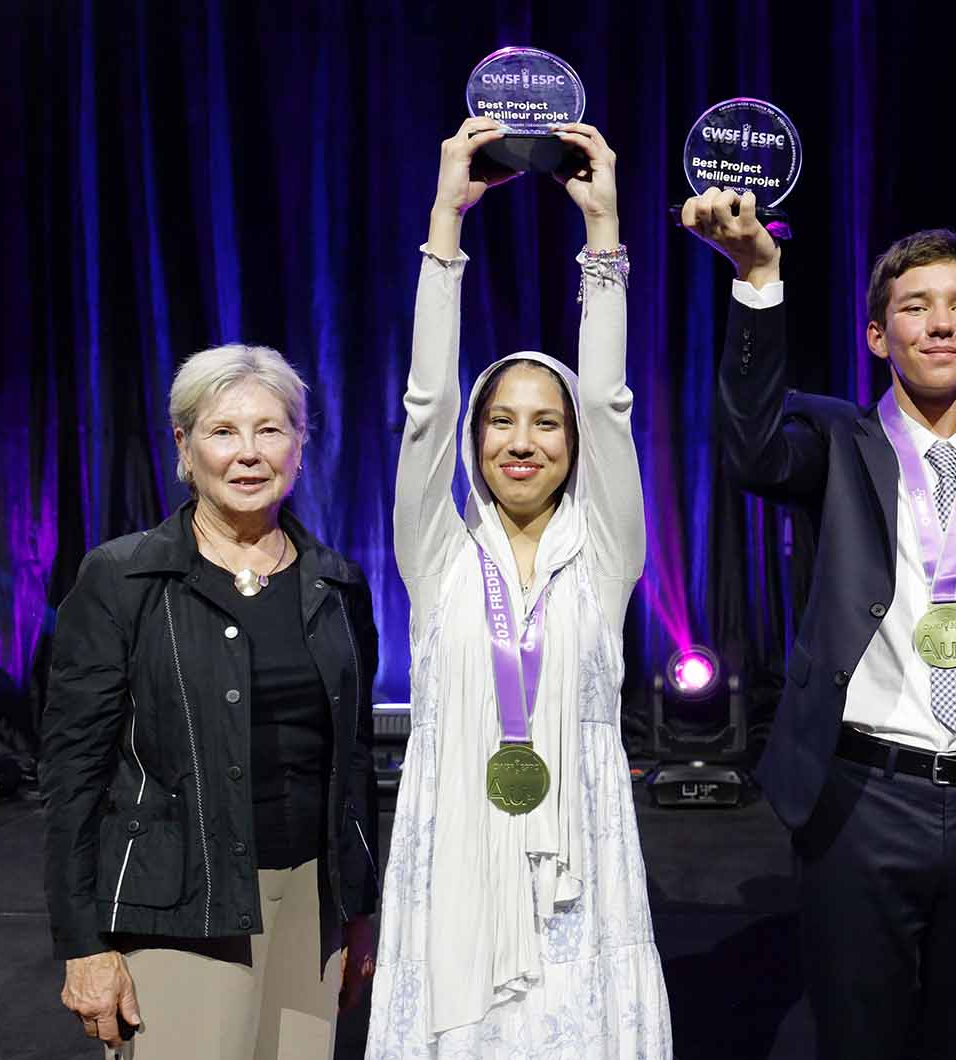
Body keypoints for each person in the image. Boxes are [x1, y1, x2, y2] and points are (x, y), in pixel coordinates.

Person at [682, 190, 956, 1059]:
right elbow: (748, 444)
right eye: (914, 306)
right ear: (876, 335)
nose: (940, 323)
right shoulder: (834, 440)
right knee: (857, 1036)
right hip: (863, 799)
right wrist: (758, 279)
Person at [365, 118, 670, 1058]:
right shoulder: (439, 552)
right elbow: (423, 412)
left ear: (572, 446)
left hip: (581, 854)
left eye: (546, 422)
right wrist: (444, 229)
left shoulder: (607, 551)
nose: (522, 440)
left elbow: (612, 406)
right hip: (455, 839)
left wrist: (605, 244)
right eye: (500, 420)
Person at [41, 343, 380, 1058]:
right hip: (175, 911)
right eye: (224, 432)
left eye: (270, 430)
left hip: (313, 909)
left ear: (300, 443)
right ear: (185, 447)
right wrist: (82, 943)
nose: (249, 454)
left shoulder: (338, 582)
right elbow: (72, 776)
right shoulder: (122, 579)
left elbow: (351, 761)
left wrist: (360, 911)